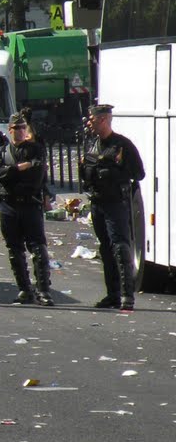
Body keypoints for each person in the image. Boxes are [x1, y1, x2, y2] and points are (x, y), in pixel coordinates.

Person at [80, 104, 145, 310]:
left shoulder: (122, 145)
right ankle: (113, 294)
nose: (89, 123)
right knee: (106, 249)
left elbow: (139, 173)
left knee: (120, 247)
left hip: (116, 203)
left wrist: (116, 170)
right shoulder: (93, 144)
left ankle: (127, 295)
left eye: (92, 119)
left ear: (104, 120)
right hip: (98, 202)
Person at [0, 112, 54, 305]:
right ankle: (25, 289)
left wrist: (15, 174)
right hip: (9, 205)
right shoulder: (0, 152)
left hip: (30, 203)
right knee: (14, 249)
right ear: (9, 130)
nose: (20, 131)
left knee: (38, 248)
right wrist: (18, 169)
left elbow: (36, 173)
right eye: (16, 128)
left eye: (22, 128)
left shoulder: (35, 150)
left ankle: (43, 290)